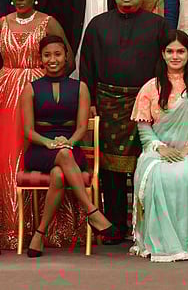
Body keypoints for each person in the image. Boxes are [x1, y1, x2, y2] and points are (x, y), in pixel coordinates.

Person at [0, 0, 73, 250]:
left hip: (41, 94)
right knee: (5, 158)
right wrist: (6, 80)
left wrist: (49, 84)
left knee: (37, 152)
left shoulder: (49, 22)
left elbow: (66, 58)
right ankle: (9, 226)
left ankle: (46, 227)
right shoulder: (1, 24)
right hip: (5, 97)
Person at [79, 0, 168, 244]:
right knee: (110, 168)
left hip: (148, 105)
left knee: (149, 163)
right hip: (108, 103)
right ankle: (115, 226)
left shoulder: (158, 25)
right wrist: (91, 102)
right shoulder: (98, 25)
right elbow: (87, 66)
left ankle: (145, 225)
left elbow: (168, 65)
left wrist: (161, 101)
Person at [19, 35, 118, 258]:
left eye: (57, 54)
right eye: (47, 55)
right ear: (40, 59)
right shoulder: (30, 88)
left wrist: (70, 142)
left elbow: (82, 127)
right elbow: (28, 132)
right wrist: (49, 143)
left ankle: (39, 233)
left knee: (58, 174)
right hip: (40, 149)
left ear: (66, 58)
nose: (52, 59)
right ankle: (92, 211)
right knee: (62, 156)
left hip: (71, 147)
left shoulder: (80, 87)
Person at [129, 30, 188, 262]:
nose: (175, 56)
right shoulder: (150, 88)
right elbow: (144, 129)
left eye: (180, 51)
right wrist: (161, 148)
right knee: (159, 174)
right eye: (170, 51)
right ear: (163, 54)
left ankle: (183, 243)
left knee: (181, 175)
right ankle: (156, 243)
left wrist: (184, 151)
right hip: (156, 151)